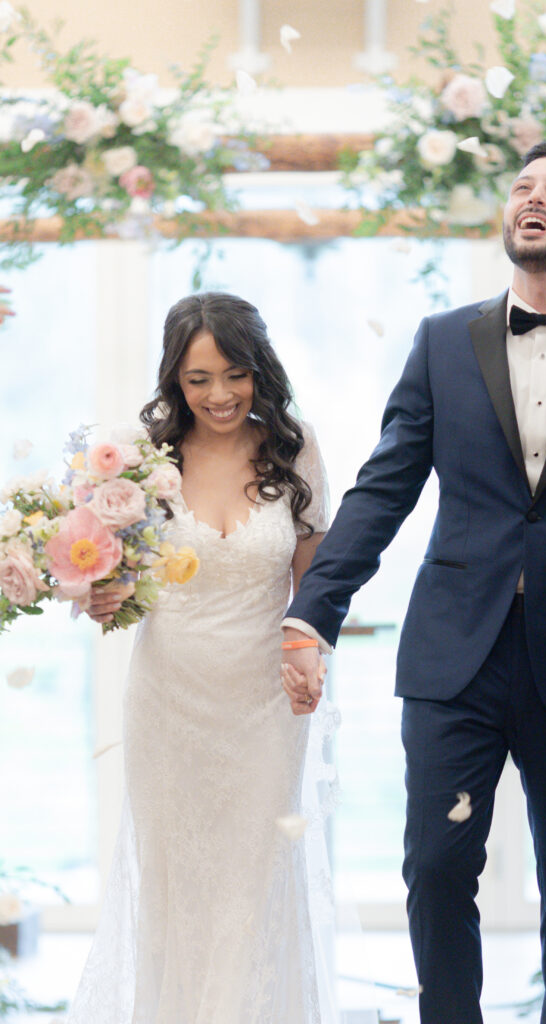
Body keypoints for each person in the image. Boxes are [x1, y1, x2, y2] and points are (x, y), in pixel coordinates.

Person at [281, 141, 546, 1024]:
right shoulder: (441, 343)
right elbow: (384, 488)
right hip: (453, 654)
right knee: (434, 864)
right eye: (520, 187)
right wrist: (313, 613)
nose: (532, 197)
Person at [67, 292, 332, 1024]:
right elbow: (120, 583)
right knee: (175, 886)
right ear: (174, 381)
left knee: (253, 882)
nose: (219, 395)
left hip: (264, 700)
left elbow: (315, 583)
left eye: (235, 374)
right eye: (198, 379)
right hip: (168, 700)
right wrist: (100, 596)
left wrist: (308, 649)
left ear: (259, 370)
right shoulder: (139, 457)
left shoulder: (294, 446)